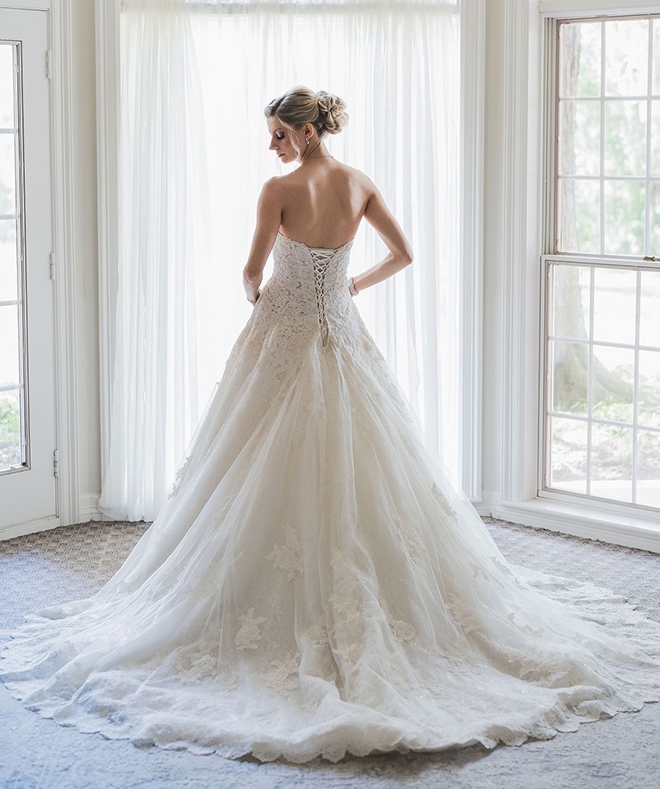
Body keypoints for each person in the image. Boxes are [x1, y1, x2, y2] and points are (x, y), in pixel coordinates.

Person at [1, 86, 660, 764]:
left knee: (250, 463)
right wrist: (347, 288)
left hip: (282, 337)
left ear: (309, 130)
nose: (272, 146)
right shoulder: (360, 183)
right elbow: (403, 255)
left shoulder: (276, 192)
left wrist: (260, 295)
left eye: (280, 135)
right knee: (366, 460)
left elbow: (253, 273)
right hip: (341, 335)